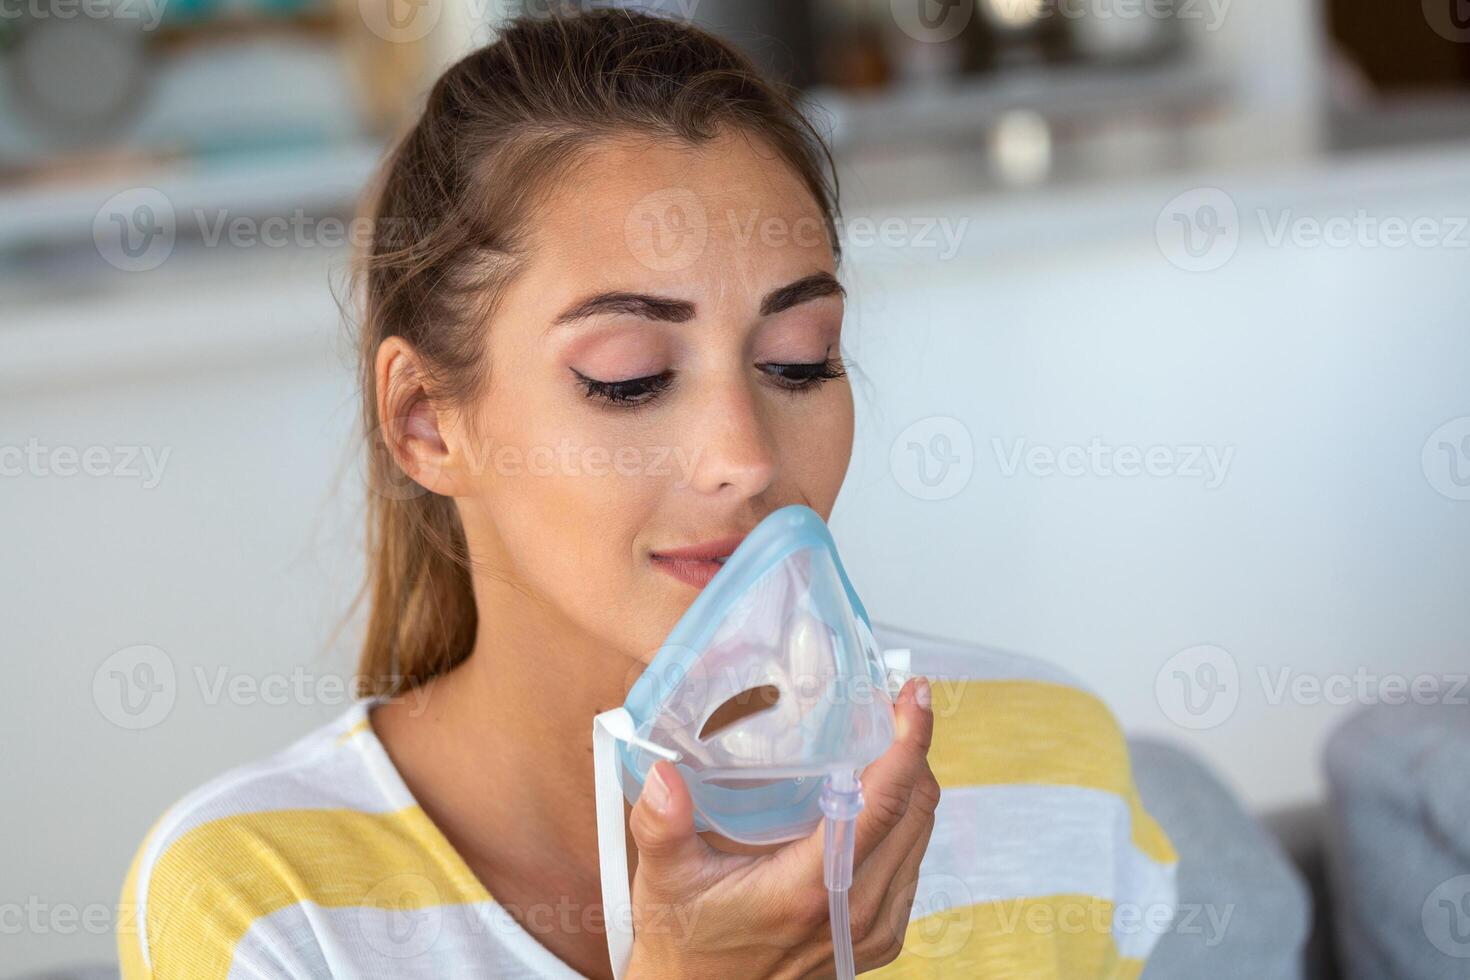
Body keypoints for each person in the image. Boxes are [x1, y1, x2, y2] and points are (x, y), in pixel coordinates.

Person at [117, 9, 1177, 978]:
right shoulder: (268, 904)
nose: (742, 456)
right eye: (626, 375)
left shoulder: (1052, 770)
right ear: (426, 421)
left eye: (800, 360)